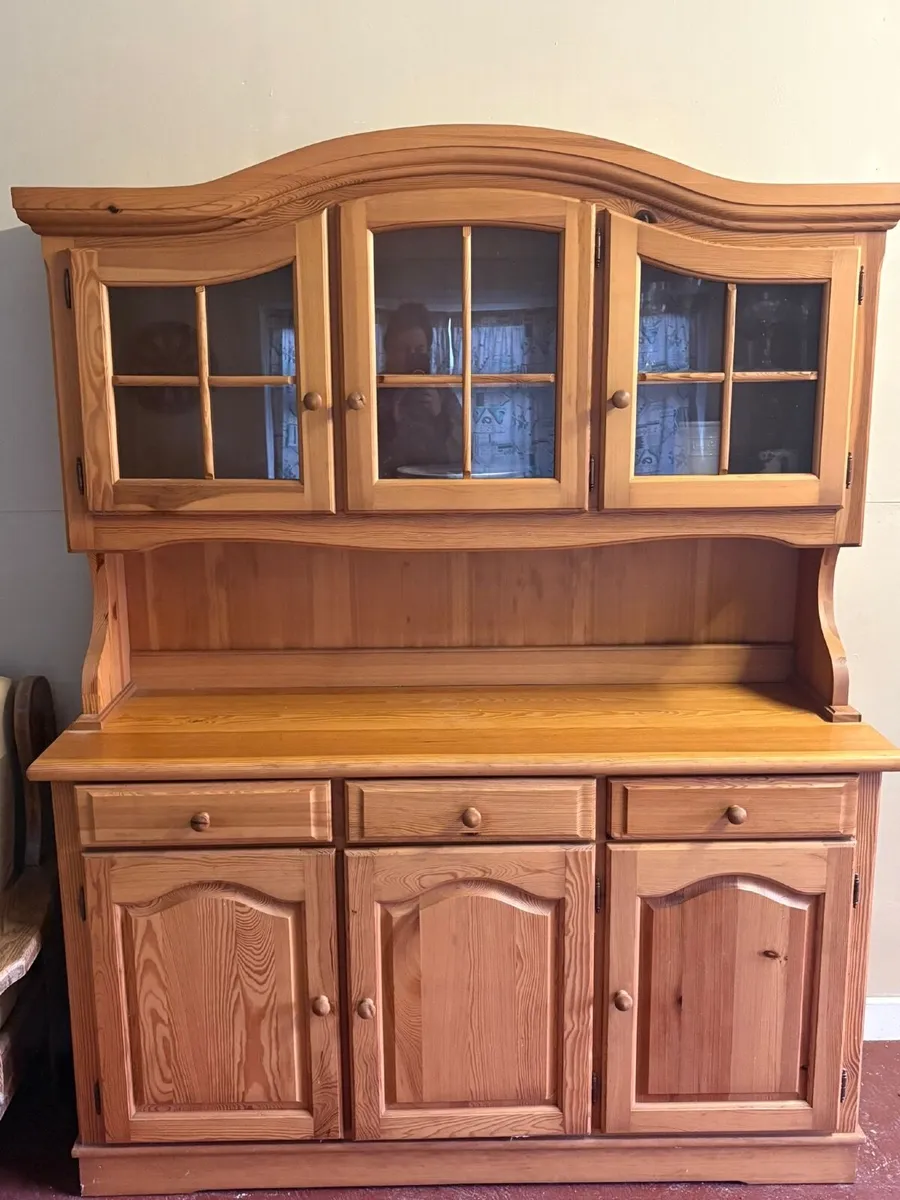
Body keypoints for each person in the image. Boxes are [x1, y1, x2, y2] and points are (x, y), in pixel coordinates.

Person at [377, 303, 463, 477]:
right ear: (389, 350)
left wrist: (439, 417)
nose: (412, 356)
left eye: (419, 349)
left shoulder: (441, 393)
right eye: (403, 349)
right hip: (386, 484)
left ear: (428, 351)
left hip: (434, 483)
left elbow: (463, 455)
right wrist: (392, 420)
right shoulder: (375, 391)